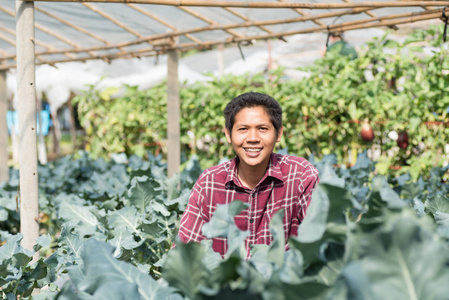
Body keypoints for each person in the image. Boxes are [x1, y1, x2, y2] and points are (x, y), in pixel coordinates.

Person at [178, 92, 319, 259]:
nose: (253, 138)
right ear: (228, 134)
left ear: (279, 134)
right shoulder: (209, 183)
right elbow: (184, 252)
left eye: (262, 129)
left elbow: (318, 240)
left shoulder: (302, 177)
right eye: (243, 129)